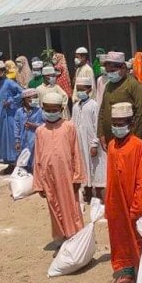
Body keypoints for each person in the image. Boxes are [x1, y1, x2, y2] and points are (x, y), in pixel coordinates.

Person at [105, 102, 142, 283]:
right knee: (120, 238)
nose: (117, 127)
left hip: (136, 202)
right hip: (117, 201)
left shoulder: (139, 146)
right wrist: (108, 201)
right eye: (114, 123)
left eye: (121, 123)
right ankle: (125, 271)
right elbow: (109, 175)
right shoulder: (111, 145)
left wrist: (138, 205)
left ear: (130, 123)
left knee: (139, 240)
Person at [33, 92, 86, 251]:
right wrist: (39, 184)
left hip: (67, 177)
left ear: (61, 108)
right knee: (54, 208)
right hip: (48, 178)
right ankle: (62, 241)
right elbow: (37, 158)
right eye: (47, 109)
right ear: (42, 108)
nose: (50, 112)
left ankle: (76, 239)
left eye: (54, 109)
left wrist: (77, 177)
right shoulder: (40, 131)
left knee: (72, 208)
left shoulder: (69, 127)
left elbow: (76, 152)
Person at [98, 52, 142, 150]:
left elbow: (141, 113)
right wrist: (101, 134)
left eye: (113, 71)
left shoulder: (133, 85)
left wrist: (134, 138)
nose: (110, 74)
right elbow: (103, 110)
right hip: (111, 140)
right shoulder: (108, 86)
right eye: (108, 71)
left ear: (123, 68)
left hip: (129, 140)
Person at [72, 76, 102, 202]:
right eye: (77, 89)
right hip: (79, 141)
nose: (79, 92)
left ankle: (98, 192)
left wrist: (95, 143)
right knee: (82, 166)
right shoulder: (75, 106)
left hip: (90, 141)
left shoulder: (94, 105)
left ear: (89, 90)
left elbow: (97, 125)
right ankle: (87, 190)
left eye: (82, 89)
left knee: (94, 167)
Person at [0, 60, 23, 174]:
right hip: (2, 117)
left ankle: (16, 162)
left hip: (11, 115)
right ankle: (10, 163)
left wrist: (11, 101)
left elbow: (21, 93)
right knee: (4, 140)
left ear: (3, 71)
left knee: (12, 139)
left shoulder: (10, 83)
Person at [14, 88, 43, 172]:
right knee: (23, 160)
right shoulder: (19, 112)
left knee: (35, 161)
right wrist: (17, 141)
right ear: (25, 99)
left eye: (35, 97)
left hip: (36, 141)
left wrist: (34, 126)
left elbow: (45, 125)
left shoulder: (39, 111)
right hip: (23, 141)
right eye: (30, 98)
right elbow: (17, 127)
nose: (33, 100)